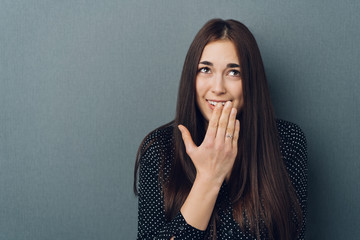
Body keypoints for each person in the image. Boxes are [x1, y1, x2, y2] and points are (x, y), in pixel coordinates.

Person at [134, 19, 307, 240]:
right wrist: (209, 178)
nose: (218, 88)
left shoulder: (287, 141)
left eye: (234, 72)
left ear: (251, 80)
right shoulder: (160, 149)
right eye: (205, 70)